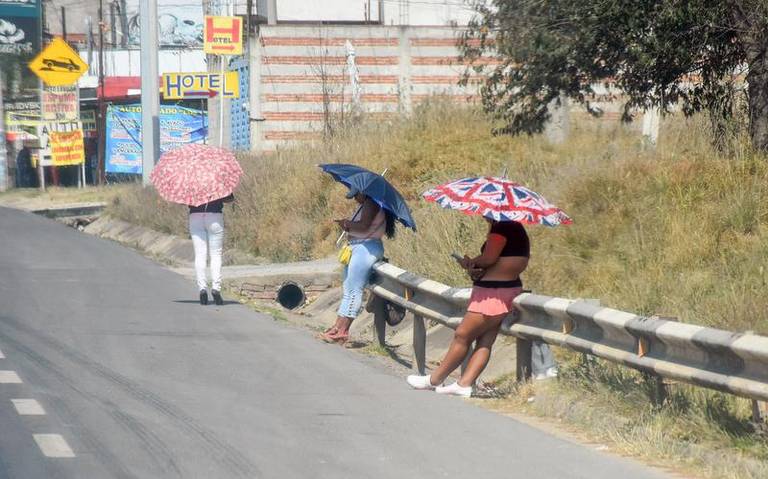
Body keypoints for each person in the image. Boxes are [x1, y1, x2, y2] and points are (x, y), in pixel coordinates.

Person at [407, 218, 530, 397]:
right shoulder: (515, 228)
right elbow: (504, 262)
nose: (482, 215)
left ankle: (433, 379)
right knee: (485, 341)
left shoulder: (502, 228)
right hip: (506, 288)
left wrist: (472, 262)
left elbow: (489, 258)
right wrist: (477, 267)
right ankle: (464, 384)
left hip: (493, 293)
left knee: (462, 335)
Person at [321, 188, 396, 344]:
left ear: (365, 191)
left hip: (365, 249)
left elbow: (363, 226)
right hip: (360, 248)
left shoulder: (371, 204)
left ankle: (343, 331)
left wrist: (347, 224)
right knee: (348, 288)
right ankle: (337, 327)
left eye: (356, 194)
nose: (355, 198)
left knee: (354, 290)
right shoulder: (367, 204)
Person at [189, 193, 234, 305]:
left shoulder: (190, 179)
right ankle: (216, 288)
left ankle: (202, 289)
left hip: (195, 216)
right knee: (216, 255)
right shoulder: (217, 178)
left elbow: (183, 200)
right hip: (214, 216)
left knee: (200, 254)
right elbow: (229, 198)